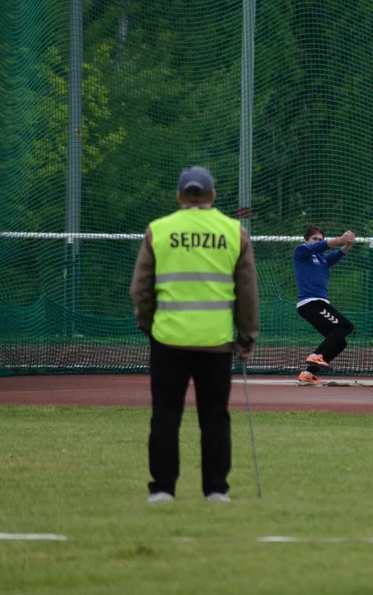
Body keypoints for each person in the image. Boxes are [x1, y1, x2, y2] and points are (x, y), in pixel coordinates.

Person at [130, 166, 259, 504]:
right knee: (215, 417)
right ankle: (216, 489)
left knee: (166, 415)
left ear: (179, 196)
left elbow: (141, 289)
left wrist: (147, 324)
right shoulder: (234, 232)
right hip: (216, 342)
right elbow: (247, 292)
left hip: (168, 341)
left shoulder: (159, 230)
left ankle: (162, 490)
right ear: (213, 195)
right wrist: (246, 338)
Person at [293, 225, 356, 385]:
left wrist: (347, 245)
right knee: (346, 326)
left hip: (319, 303)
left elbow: (336, 255)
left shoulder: (323, 259)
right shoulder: (301, 252)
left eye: (320, 239)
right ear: (306, 240)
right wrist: (340, 239)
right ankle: (315, 356)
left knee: (340, 341)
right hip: (311, 303)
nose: (318, 242)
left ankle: (307, 374)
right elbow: (320, 247)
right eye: (315, 239)